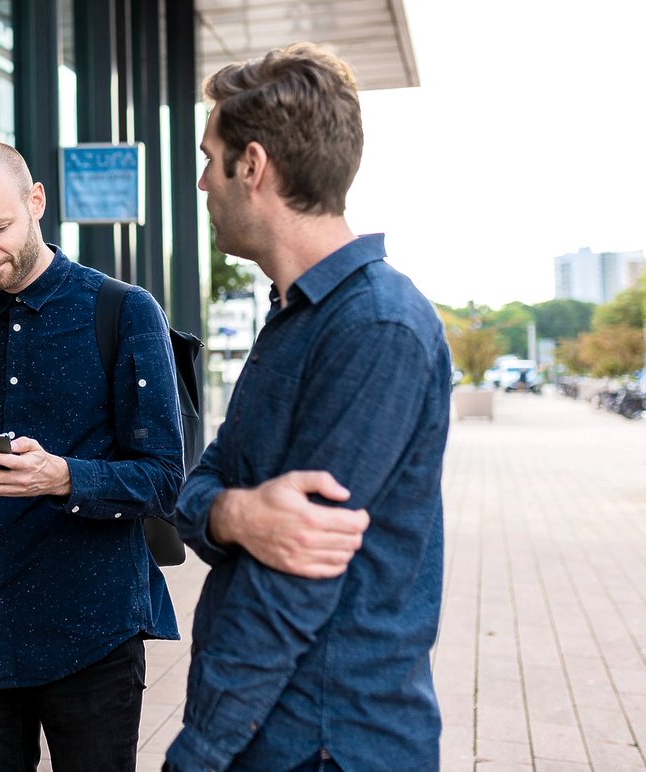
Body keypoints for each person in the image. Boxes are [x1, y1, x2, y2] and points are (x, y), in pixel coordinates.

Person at [163, 43, 450, 772]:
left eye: (209, 157)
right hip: (270, 736)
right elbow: (202, 484)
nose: (202, 181)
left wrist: (194, 756)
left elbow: (291, 585)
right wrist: (234, 514)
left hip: (329, 745)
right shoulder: (293, 314)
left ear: (252, 166)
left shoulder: (376, 326)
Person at [0, 141, 184, 772]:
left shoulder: (124, 311)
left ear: (36, 203)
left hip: (93, 634)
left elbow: (163, 480)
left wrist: (62, 476)